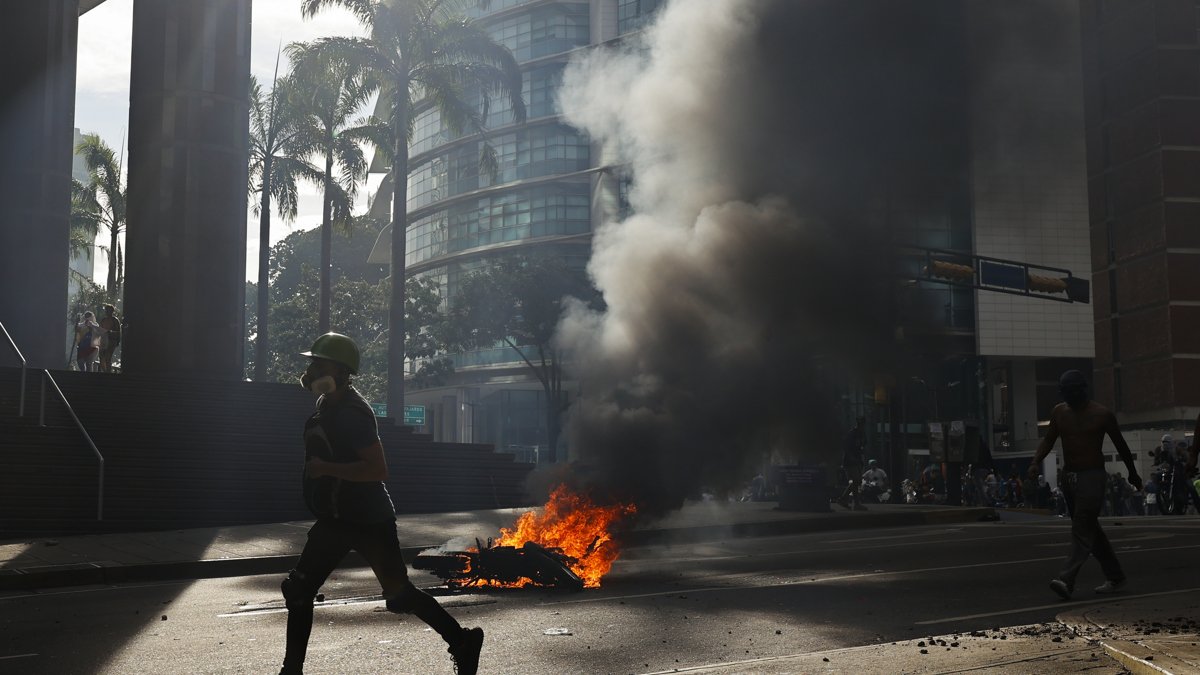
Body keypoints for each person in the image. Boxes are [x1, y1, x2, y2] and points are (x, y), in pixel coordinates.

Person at [279, 332, 484, 675]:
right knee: (298, 590)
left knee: (400, 596)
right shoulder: (327, 404)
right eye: (312, 362)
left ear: (340, 371)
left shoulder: (353, 413)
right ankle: (291, 670)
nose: (311, 369)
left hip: (369, 521)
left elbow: (377, 470)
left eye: (319, 363)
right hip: (337, 519)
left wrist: (325, 468)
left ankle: (463, 641)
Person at [1028, 370, 1142, 600]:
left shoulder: (1102, 414)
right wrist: (1035, 462)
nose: (1069, 396)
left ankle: (1066, 579)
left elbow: (1121, 445)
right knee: (1090, 528)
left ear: (1083, 389)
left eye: (1073, 391)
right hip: (1069, 477)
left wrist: (1132, 474)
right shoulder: (1059, 412)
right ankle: (1116, 576)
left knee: (1082, 527)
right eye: (1065, 392)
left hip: (1092, 476)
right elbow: (1049, 439)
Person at [836, 416, 867, 510]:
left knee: (857, 481)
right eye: (860, 423)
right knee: (856, 480)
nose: (861, 425)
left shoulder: (862, 434)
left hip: (857, 460)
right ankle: (855, 503)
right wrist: (851, 457)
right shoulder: (852, 434)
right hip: (850, 461)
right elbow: (846, 447)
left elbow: (862, 446)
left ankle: (844, 499)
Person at [97, 304, 121, 373]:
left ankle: (108, 373)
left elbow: (118, 332)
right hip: (103, 342)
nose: (107, 312)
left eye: (108, 310)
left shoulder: (115, 320)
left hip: (111, 342)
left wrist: (110, 332)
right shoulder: (103, 320)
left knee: (108, 358)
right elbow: (99, 330)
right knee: (101, 357)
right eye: (106, 310)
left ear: (112, 311)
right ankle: (105, 371)